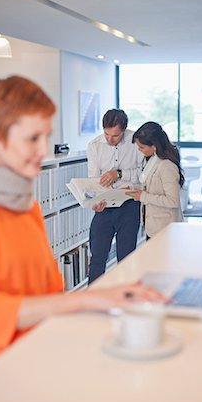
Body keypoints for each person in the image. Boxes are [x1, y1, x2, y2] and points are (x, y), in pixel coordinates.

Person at [0, 77, 165, 373]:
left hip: (38, 357)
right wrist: (86, 301)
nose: (43, 150)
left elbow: (47, 292)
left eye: (46, 137)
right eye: (32, 138)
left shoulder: (27, 207)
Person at [87, 109, 143, 283]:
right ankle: (91, 300)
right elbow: (94, 179)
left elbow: (144, 174)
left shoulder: (137, 142)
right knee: (97, 257)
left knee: (126, 258)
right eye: (106, 134)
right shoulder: (95, 145)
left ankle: (125, 299)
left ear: (124, 130)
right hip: (104, 206)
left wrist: (119, 173)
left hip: (129, 205)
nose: (110, 140)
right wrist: (94, 201)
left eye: (115, 136)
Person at [126, 121, 184, 238]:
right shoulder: (152, 160)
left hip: (166, 230)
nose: (139, 150)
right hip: (153, 228)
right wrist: (133, 190)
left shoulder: (167, 166)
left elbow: (173, 201)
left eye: (142, 147)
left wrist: (143, 196)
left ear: (154, 146)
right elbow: (153, 187)